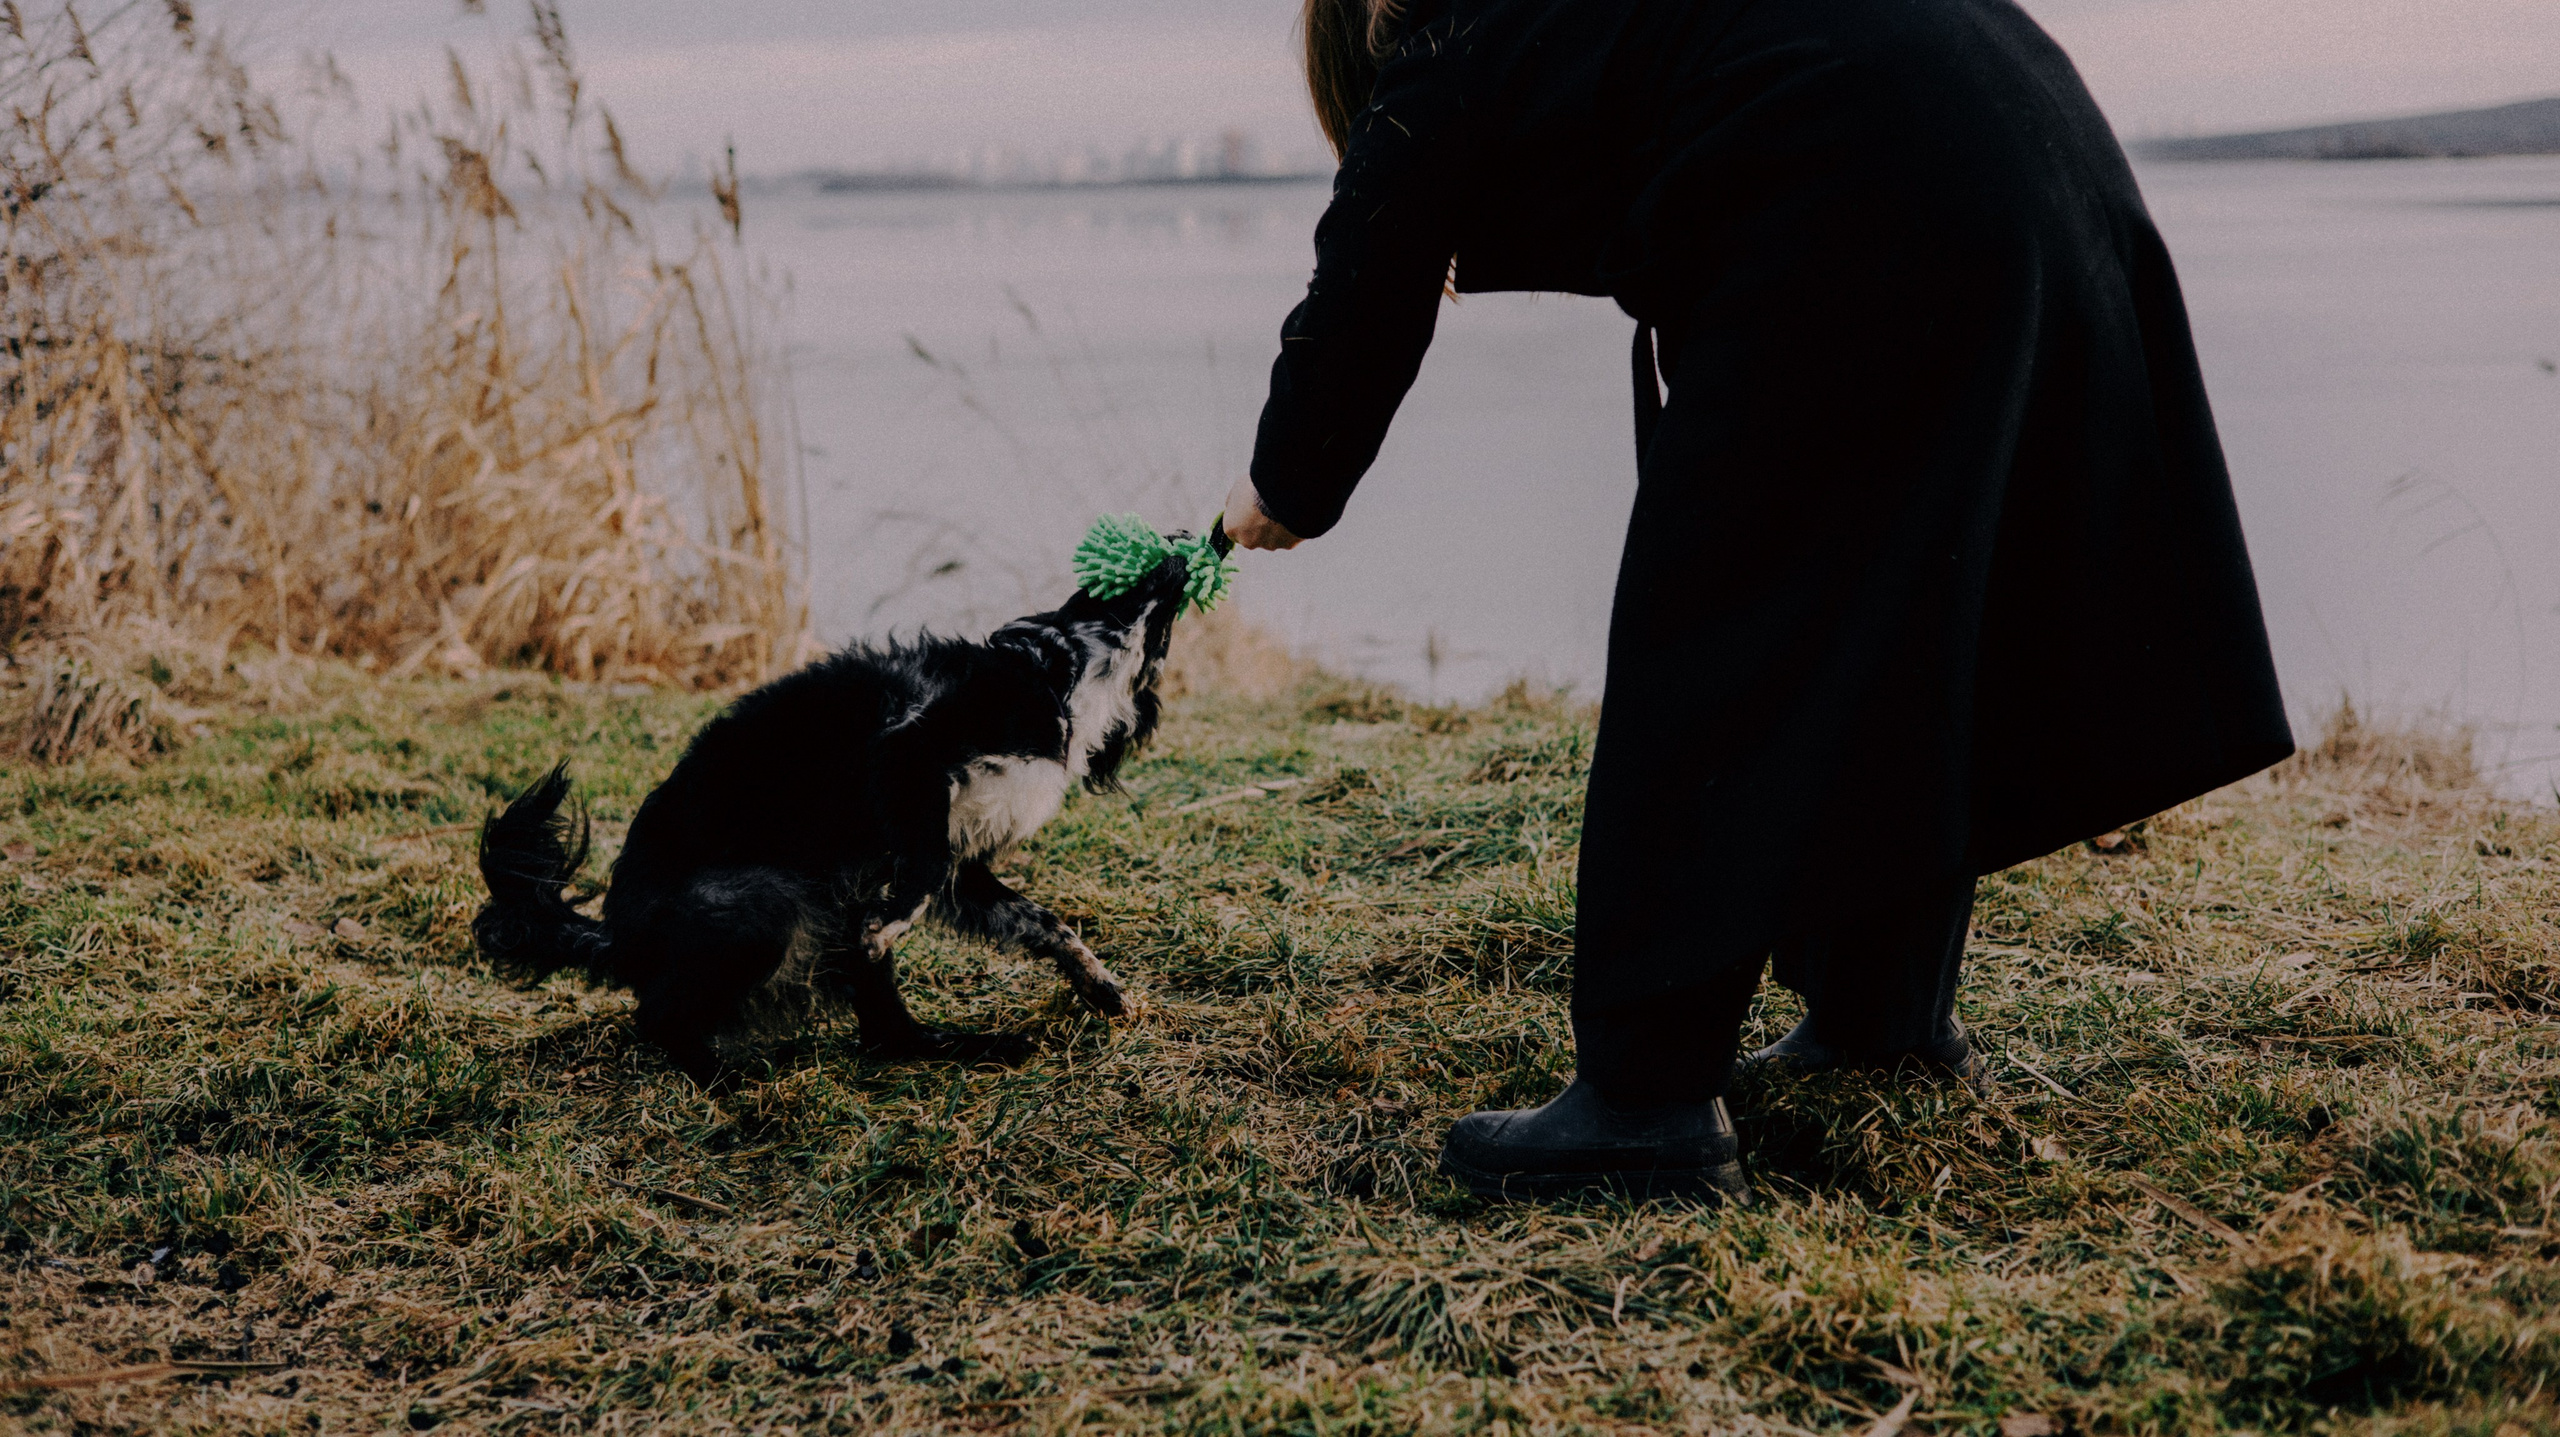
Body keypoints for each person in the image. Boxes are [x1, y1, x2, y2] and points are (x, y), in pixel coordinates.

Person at [1220, 0, 2295, 1202]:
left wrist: (1282, 484)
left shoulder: (1436, 30)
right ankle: (1881, 1016)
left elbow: (1368, 267)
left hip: (1862, 182)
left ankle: (1643, 1103)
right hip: (2024, 143)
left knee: (1716, 644)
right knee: (1910, 609)